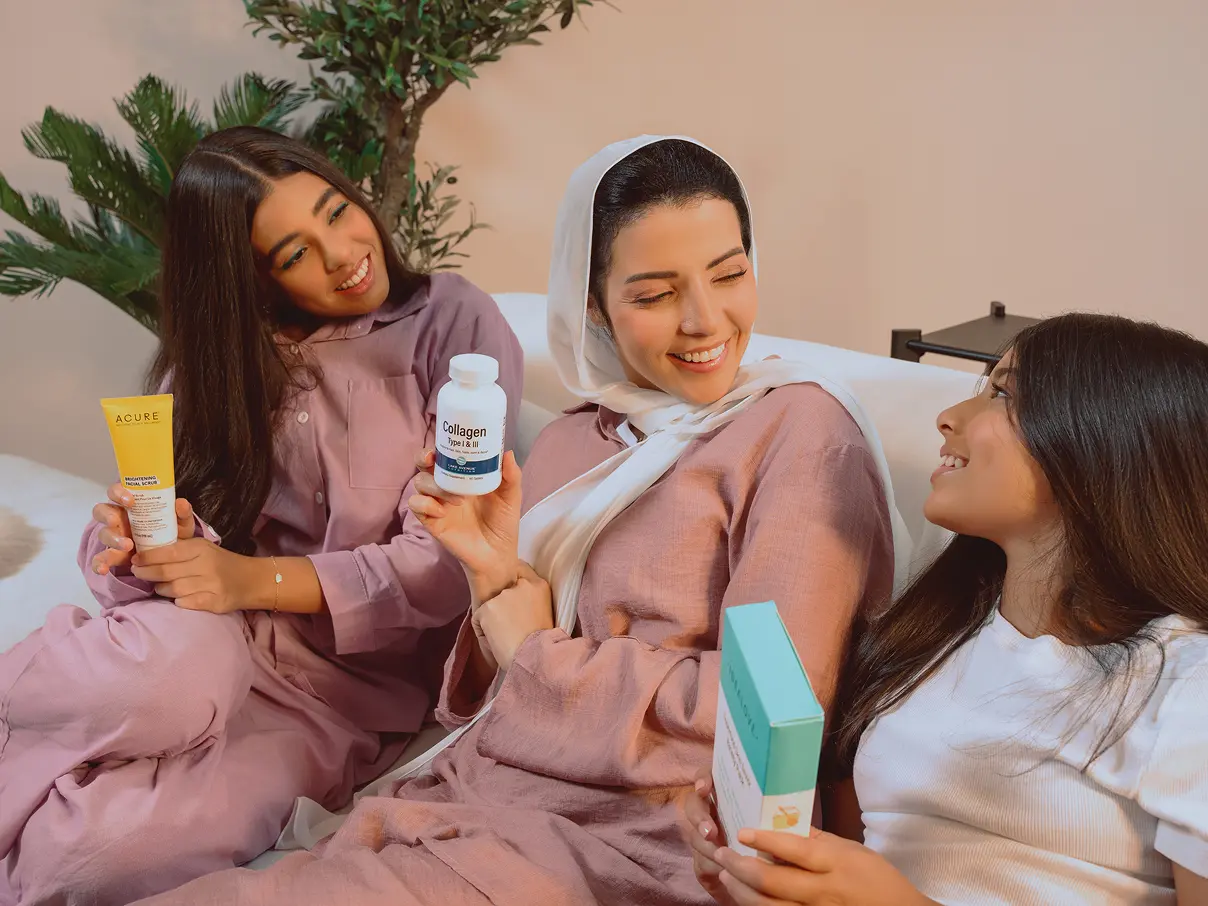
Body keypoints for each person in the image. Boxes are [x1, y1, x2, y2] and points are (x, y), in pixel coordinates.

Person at [126, 135, 910, 906]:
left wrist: (536, 650)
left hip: (641, 838)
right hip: (469, 797)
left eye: (730, 273)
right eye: (654, 294)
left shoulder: (801, 434)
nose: (705, 320)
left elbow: (757, 723)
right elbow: (494, 691)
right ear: (594, 306)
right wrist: (490, 568)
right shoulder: (578, 437)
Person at [0, 126, 522, 906]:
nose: (344, 253)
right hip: (201, 641)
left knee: (87, 858)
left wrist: (248, 579)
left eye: (336, 212)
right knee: (162, 676)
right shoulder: (217, 363)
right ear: (251, 278)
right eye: (295, 254)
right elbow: (162, 540)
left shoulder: (452, 329)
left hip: (341, 695)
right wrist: (138, 541)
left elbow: (447, 565)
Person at [684, 313, 1208, 905]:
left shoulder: (1187, 685)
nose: (951, 416)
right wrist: (760, 869)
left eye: (1004, 393)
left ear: (1107, 441)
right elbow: (858, 863)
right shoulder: (925, 638)